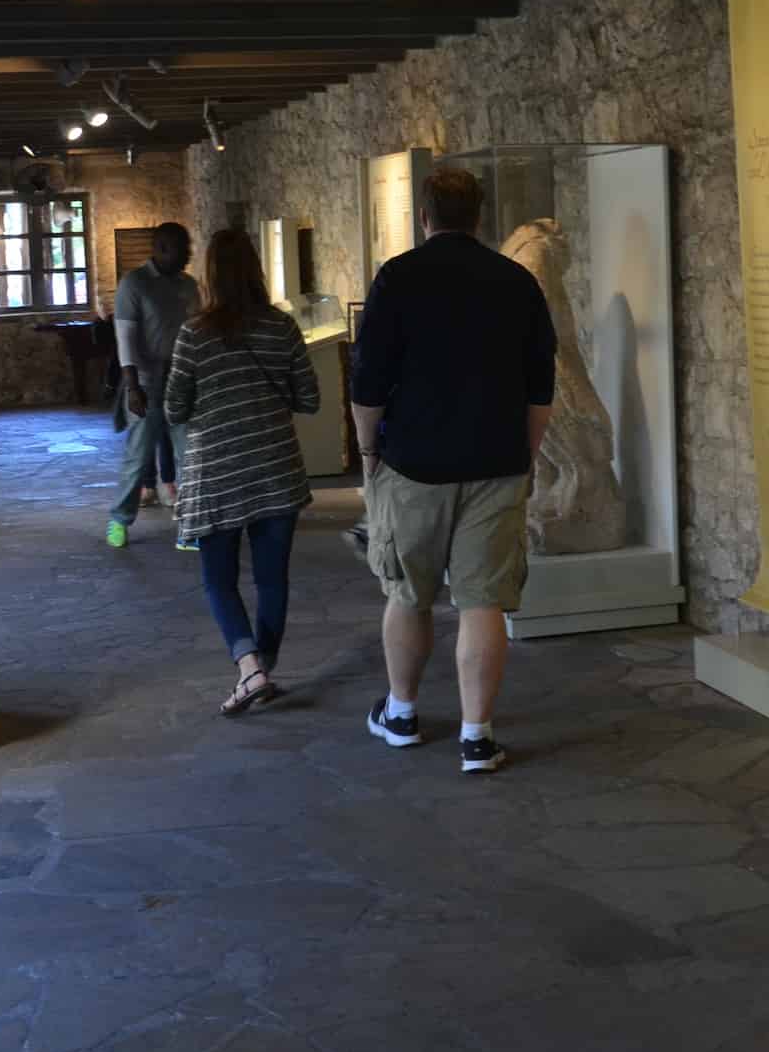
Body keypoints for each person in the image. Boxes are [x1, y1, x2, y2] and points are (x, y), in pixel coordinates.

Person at [351, 166, 556, 774]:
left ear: (424, 217)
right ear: (479, 217)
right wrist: (526, 454)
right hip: (496, 463)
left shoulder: (398, 278)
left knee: (408, 594)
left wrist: (367, 454)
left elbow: (369, 381)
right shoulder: (515, 282)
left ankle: (404, 714)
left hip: (413, 466)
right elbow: (539, 385)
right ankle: (476, 736)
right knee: (483, 602)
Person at [165, 228, 321, 717]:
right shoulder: (282, 328)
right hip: (276, 467)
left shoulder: (194, 334)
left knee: (219, 580)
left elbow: (173, 408)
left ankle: (249, 668)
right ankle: (263, 670)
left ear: (210, 275)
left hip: (217, 474)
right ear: (256, 270)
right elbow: (310, 399)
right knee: (272, 580)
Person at [107, 223, 200, 552]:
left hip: (183, 379)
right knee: (139, 456)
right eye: (182, 248)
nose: (189, 254)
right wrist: (133, 388)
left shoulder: (188, 286)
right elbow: (125, 340)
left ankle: (190, 527)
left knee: (190, 455)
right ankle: (119, 519)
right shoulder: (135, 285)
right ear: (161, 248)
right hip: (146, 380)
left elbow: (197, 332)